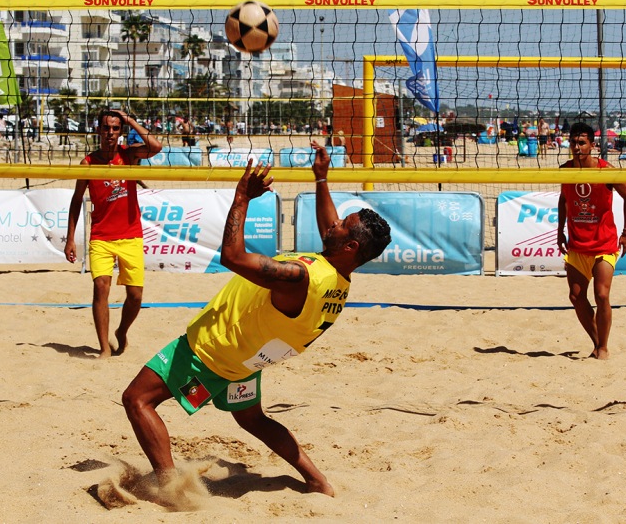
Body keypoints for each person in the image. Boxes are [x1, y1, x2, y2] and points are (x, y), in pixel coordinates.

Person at [122, 141, 391, 502]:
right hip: (248, 363)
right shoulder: (337, 279)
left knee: (137, 399)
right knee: (253, 419)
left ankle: (172, 488)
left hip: (210, 354)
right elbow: (330, 227)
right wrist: (321, 179)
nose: (335, 223)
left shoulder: (300, 277)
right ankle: (317, 481)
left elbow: (232, 257)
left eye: (343, 225)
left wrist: (242, 197)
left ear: (350, 247)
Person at [64, 110, 162, 358]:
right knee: (100, 287)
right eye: (106, 128)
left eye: (115, 128)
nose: (110, 133)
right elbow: (76, 200)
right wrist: (70, 238)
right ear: (98, 130)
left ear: (120, 132)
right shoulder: (88, 163)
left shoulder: (129, 155)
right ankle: (104, 348)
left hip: (130, 235)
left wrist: (129, 120)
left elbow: (156, 147)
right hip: (101, 236)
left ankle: (121, 331)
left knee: (135, 296)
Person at [557, 122, 626, 360]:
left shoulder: (605, 170)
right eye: (573, 142)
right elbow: (563, 200)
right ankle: (597, 342)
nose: (577, 147)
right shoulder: (565, 170)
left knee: (601, 295)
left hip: (604, 244)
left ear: (592, 145)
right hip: (578, 244)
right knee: (576, 296)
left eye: (581, 143)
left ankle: (603, 348)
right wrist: (559, 230)